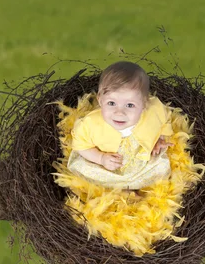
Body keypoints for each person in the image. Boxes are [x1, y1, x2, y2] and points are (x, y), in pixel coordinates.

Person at [67, 61, 174, 190]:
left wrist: (159, 138)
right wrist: (101, 158)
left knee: (162, 166)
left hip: (141, 164)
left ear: (144, 104)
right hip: (106, 167)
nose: (119, 112)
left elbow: (164, 119)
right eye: (111, 103)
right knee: (84, 168)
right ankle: (117, 191)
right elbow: (81, 146)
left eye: (129, 105)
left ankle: (138, 190)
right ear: (100, 100)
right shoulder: (90, 124)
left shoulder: (153, 111)